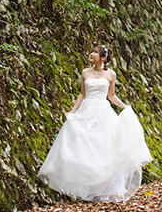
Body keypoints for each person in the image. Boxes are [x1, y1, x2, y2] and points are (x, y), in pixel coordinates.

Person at [37, 44, 152, 202]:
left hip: (103, 112)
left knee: (105, 147)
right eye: (92, 51)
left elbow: (111, 96)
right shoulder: (85, 72)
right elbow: (82, 94)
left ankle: (107, 187)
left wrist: (124, 107)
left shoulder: (111, 74)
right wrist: (72, 112)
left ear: (103, 58)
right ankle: (88, 186)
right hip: (87, 110)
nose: (91, 54)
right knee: (85, 147)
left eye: (95, 53)